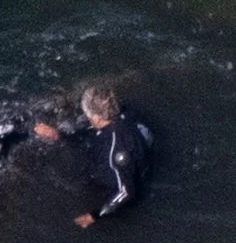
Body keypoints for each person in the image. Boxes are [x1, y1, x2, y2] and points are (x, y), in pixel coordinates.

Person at [33, 86, 154, 227]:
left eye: (88, 115)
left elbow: (126, 192)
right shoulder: (123, 114)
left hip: (123, 171)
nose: (87, 117)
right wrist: (58, 135)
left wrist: (95, 215)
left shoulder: (115, 152)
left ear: (96, 118)